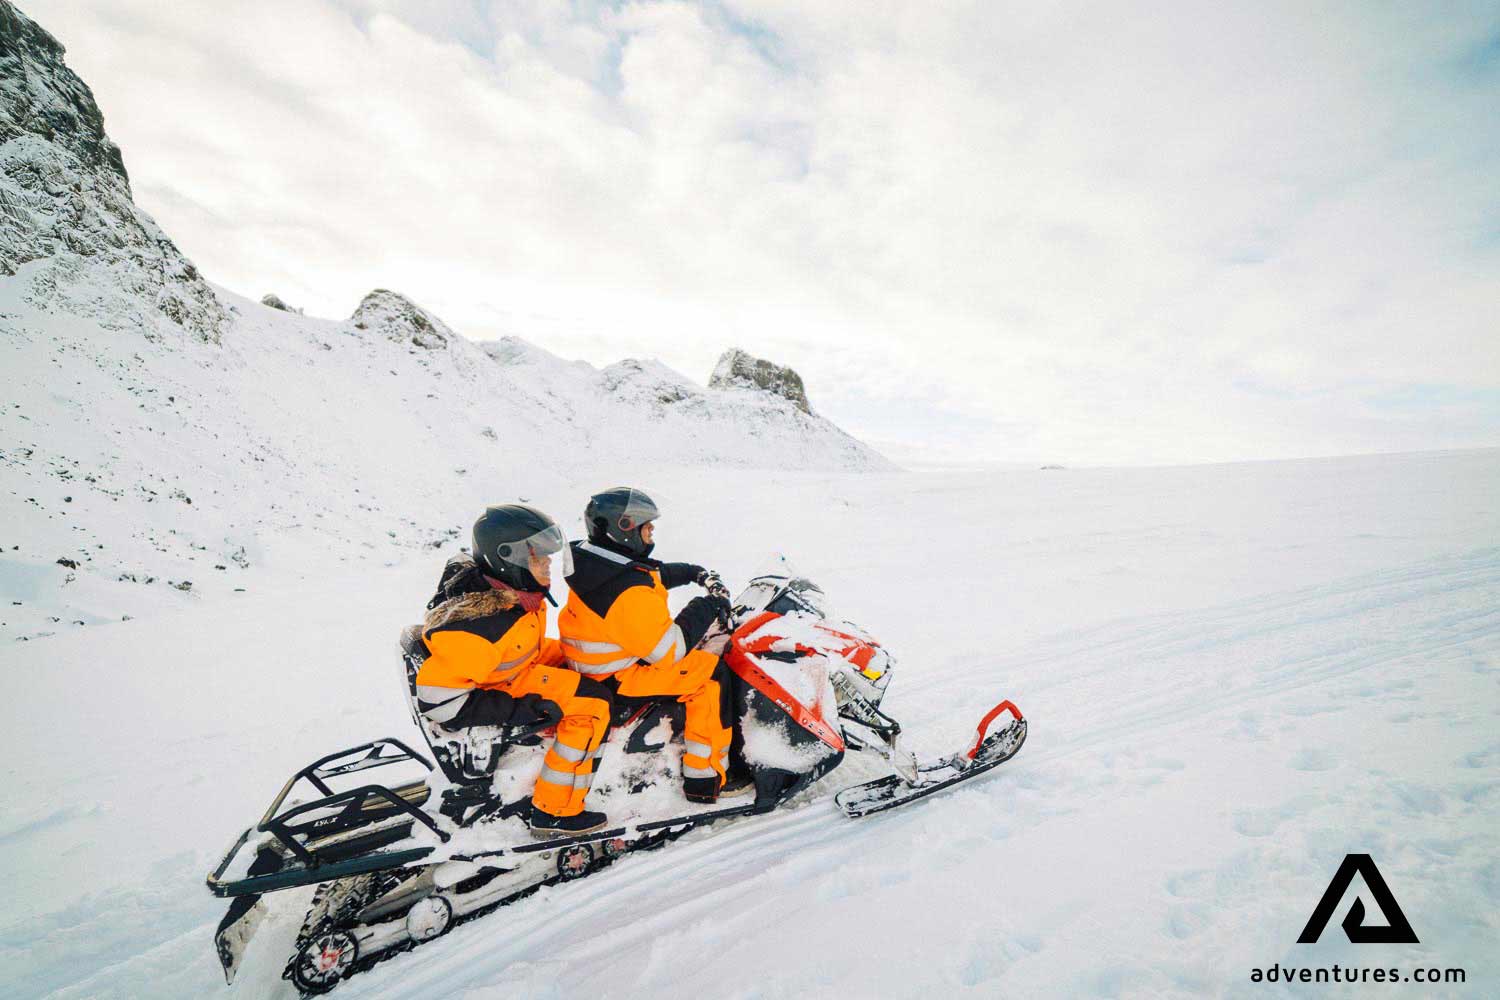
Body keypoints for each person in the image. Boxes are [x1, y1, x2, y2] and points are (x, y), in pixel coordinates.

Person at [414, 504, 613, 834]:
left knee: (584, 662)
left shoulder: (512, 593)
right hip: (495, 688)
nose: (548, 563)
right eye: (538, 557)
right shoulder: (483, 627)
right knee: (594, 704)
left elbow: (517, 648)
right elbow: (440, 702)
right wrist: (524, 710)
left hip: (511, 666)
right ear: (510, 560)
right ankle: (555, 810)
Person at [558, 487, 752, 804]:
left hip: (596, 661)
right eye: (646, 528)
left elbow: (647, 574)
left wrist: (691, 573)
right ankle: (708, 777)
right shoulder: (628, 594)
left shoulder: (592, 560)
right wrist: (708, 606)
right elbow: (669, 651)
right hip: (617, 675)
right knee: (710, 673)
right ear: (625, 531)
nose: (651, 534)